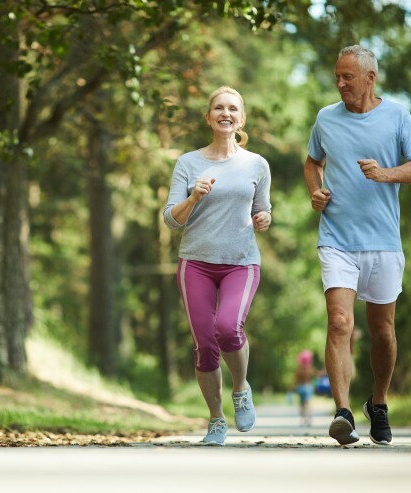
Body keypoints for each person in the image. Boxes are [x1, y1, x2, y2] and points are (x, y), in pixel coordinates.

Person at [303, 45, 411, 446]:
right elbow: (312, 162)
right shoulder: (326, 118)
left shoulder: (396, 116)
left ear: (370, 78)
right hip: (337, 237)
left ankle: (378, 402)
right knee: (339, 322)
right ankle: (342, 413)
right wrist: (315, 191)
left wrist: (386, 173)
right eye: (337, 76)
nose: (340, 83)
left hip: (383, 241)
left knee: (383, 332)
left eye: (348, 77)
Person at [163, 86, 272, 445]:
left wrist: (264, 219)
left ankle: (240, 388)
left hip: (241, 263)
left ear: (241, 118)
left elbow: (262, 209)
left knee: (228, 327)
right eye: (219, 108)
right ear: (209, 117)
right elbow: (170, 219)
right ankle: (215, 419)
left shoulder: (256, 164)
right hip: (195, 262)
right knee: (205, 344)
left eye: (233, 109)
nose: (226, 113)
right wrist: (194, 196)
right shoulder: (188, 163)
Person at [291, 350, 317, 426]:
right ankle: (309, 418)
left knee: (301, 403)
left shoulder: (299, 370)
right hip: (308, 387)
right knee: (307, 403)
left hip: (301, 388)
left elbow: (295, 380)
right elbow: (317, 376)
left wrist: (291, 387)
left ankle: (302, 419)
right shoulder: (310, 369)